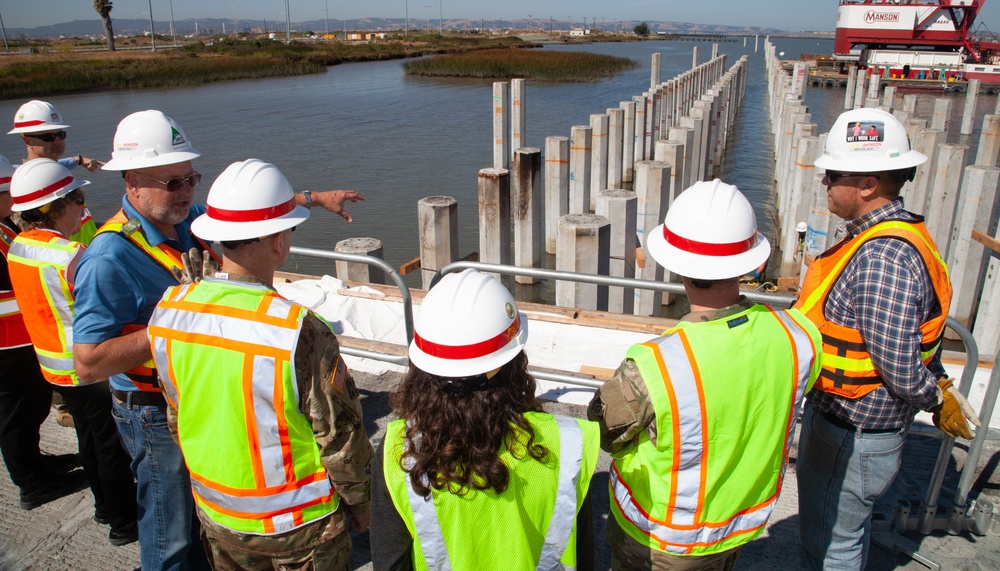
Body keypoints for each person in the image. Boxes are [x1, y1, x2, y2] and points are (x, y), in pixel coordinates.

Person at [72, 109, 365, 571]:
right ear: (131, 182)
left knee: (209, 512)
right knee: (169, 530)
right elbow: (87, 362)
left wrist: (313, 197)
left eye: (191, 178)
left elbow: (249, 213)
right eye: (172, 182)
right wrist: (182, 327)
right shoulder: (107, 258)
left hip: (203, 394)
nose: (187, 191)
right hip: (152, 406)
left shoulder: (187, 218)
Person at [147, 158, 373, 570]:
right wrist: (362, 504)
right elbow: (339, 440)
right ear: (278, 242)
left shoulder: (169, 312)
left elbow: (177, 414)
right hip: (301, 527)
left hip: (218, 516)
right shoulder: (300, 332)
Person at [588, 179, 821, 570]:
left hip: (662, 543)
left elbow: (605, 431)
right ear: (753, 262)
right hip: (736, 528)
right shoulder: (799, 337)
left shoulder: (654, 365)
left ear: (676, 264)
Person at [795, 107, 975, 570]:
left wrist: (934, 396)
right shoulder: (888, 238)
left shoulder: (883, 258)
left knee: (832, 544)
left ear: (869, 184)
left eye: (833, 173)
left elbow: (897, 363)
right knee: (835, 534)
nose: (825, 182)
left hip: (851, 434)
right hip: (851, 428)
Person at [372, 268, 600, 571]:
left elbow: (391, 563)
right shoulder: (568, 446)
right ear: (514, 361)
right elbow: (584, 557)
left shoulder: (398, 455)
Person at [6, 158, 138, 543]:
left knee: (89, 438)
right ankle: (124, 523)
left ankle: (102, 508)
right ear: (55, 208)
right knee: (111, 446)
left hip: (53, 367)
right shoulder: (70, 256)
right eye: (77, 198)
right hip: (88, 367)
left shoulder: (18, 247)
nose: (83, 207)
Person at [0, 154, 84, 510]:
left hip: (23, 339)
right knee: (15, 415)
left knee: (31, 409)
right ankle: (32, 483)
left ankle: (35, 464)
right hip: (8, 343)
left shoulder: (6, 227)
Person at [9, 99, 103, 245]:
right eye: (48, 137)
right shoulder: (26, 187)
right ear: (27, 141)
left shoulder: (58, 173)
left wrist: (77, 160)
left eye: (60, 134)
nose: (57, 141)